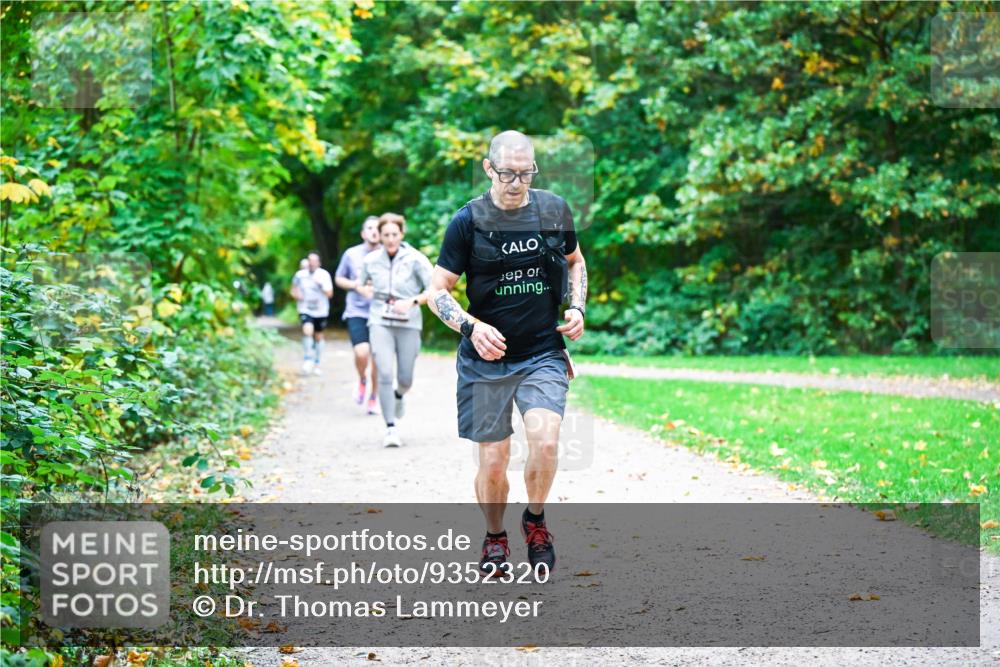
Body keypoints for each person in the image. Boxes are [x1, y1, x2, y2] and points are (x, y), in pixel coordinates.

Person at [427, 131, 587, 576]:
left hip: (541, 352)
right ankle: (495, 535)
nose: (516, 182)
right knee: (494, 461)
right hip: (486, 359)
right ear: (488, 168)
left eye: (525, 173)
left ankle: (534, 521)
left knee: (546, 441)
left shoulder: (553, 210)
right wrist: (471, 326)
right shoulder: (467, 222)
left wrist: (577, 307)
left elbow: (575, 260)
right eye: (507, 173)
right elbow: (437, 291)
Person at [356, 213, 433, 447]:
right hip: (380, 320)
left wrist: (411, 302)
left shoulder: (416, 259)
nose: (390, 239)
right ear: (379, 236)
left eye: (394, 234)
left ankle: (399, 395)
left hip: (409, 322)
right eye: (386, 235)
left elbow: (434, 290)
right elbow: (360, 283)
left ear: (402, 234)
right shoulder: (371, 260)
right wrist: (365, 291)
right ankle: (390, 428)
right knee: (385, 373)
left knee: (405, 378)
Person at [334, 216, 381, 414]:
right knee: (361, 352)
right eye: (369, 228)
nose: (374, 231)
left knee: (378, 360)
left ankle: (374, 397)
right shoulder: (351, 254)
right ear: (363, 233)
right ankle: (362, 379)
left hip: (381, 312)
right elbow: (338, 278)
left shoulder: (388, 254)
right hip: (357, 311)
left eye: (377, 228)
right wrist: (356, 285)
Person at [290, 252, 334, 375]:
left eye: (314, 261)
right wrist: (297, 294)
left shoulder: (324, 275)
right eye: (310, 260)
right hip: (305, 309)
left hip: (320, 310)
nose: (312, 263)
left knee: (318, 336)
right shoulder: (300, 275)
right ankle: (308, 359)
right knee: (307, 331)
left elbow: (330, 294)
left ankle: (317, 362)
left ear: (319, 263)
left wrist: (320, 284)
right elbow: (293, 289)